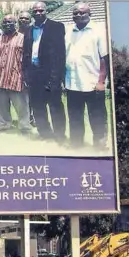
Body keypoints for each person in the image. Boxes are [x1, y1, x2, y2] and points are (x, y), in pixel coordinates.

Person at [64, 2, 109, 150]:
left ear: (90, 14)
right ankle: (76, 144)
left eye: (82, 12)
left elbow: (104, 58)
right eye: (75, 12)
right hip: (73, 83)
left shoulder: (98, 31)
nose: (78, 15)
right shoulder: (69, 31)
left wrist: (101, 81)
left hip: (93, 83)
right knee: (75, 117)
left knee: (97, 117)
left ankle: (100, 145)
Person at [22, 1, 67, 143]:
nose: (38, 13)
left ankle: (60, 136)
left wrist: (56, 78)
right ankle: (45, 134)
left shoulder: (57, 27)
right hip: (34, 75)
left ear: (45, 11)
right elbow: (26, 53)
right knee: (37, 106)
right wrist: (26, 74)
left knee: (55, 106)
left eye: (41, 10)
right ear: (32, 12)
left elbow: (60, 55)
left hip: (50, 74)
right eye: (35, 11)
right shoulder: (28, 30)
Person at [0, 15, 32, 134]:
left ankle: (24, 126)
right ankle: (4, 125)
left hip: (17, 78)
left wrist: (26, 77)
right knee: (1, 106)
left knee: (21, 105)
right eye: (5, 22)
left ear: (15, 23)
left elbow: (27, 58)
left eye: (10, 22)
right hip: (1, 78)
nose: (7, 24)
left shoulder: (23, 38)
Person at [18, 11, 36, 127]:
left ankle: (33, 117)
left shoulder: (34, 32)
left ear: (30, 21)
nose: (24, 20)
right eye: (22, 18)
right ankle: (24, 117)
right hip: (17, 68)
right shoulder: (14, 33)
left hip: (31, 69)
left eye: (26, 18)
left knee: (32, 95)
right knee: (20, 96)